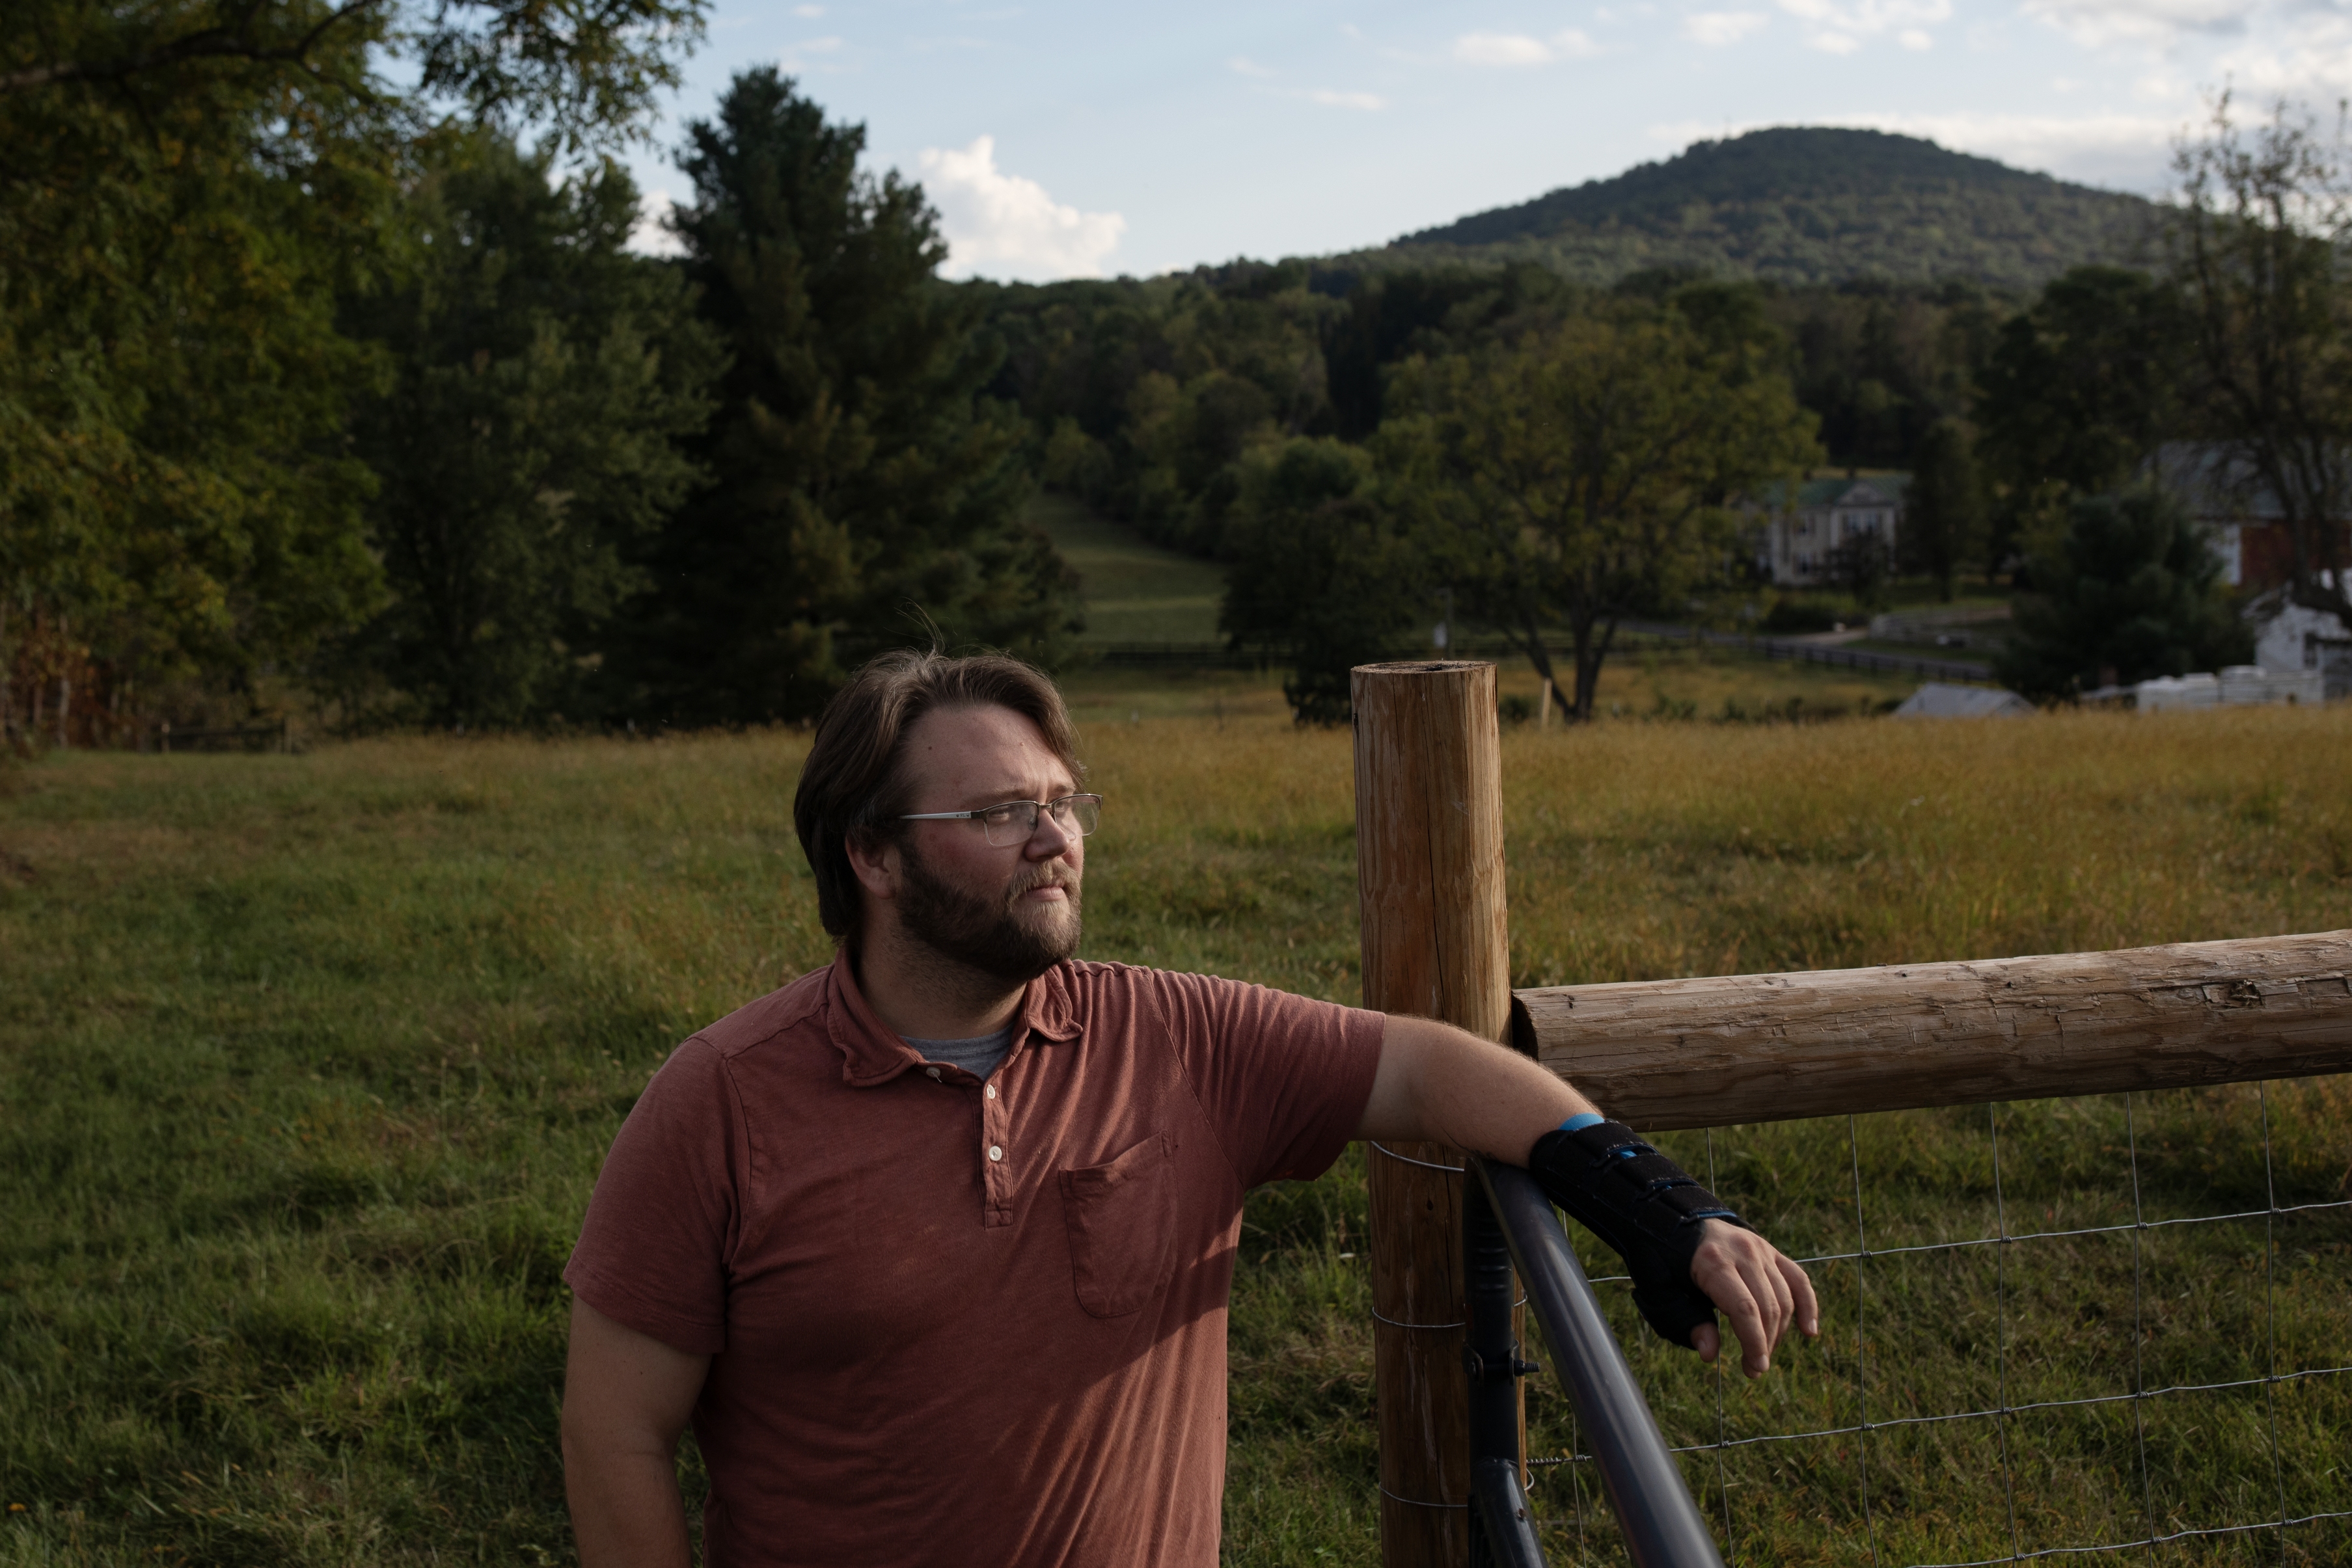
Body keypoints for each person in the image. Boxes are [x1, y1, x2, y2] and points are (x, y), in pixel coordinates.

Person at [560, 651, 1817, 1567]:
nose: (1053, 838)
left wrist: (1653, 1205)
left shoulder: (1174, 1033)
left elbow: (1428, 1068)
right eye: (1000, 812)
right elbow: (617, 1430)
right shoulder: (721, 1100)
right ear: (871, 855)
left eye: (1062, 801)